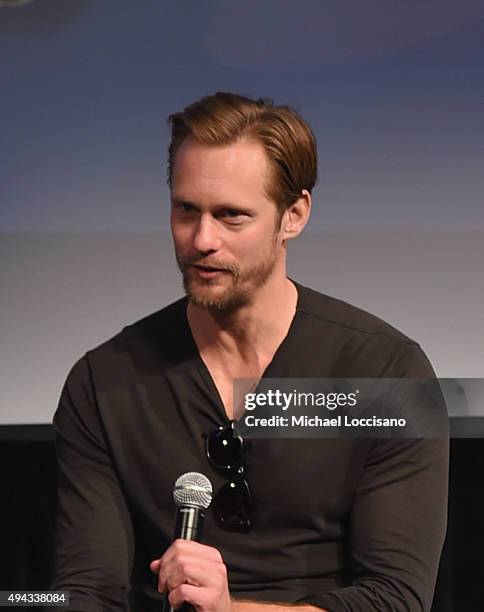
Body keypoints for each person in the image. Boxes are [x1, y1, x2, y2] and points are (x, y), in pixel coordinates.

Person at [51, 92, 449, 612]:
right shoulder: (103, 383)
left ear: (294, 215)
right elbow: (83, 594)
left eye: (231, 216)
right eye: (186, 210)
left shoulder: (386, 374)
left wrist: (230, 610)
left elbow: (395, 599)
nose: (202, 240)